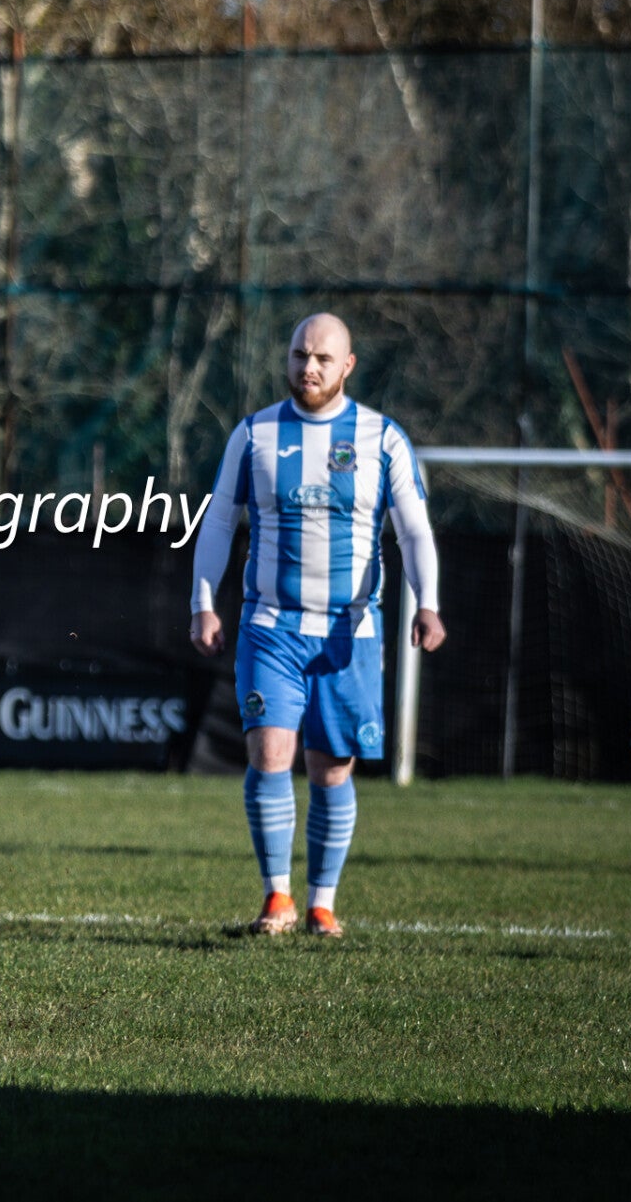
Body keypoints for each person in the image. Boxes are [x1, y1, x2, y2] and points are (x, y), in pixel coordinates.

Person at [189, 313, 446, 937]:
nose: (308, 367)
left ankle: (321, 904)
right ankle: (276, 897)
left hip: (348, 634)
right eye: (300, 354)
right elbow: (219, 520)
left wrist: (428, 601)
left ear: (347, 365)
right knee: (269, 752)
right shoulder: (254, 433)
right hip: (269, 627)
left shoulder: (382, 438)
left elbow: (413, 530)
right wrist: (203, 602)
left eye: (323, 358)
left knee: (331, 768)